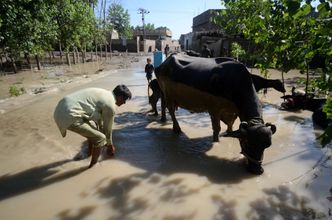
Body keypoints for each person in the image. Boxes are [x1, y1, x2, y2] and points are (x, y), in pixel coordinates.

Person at [53, 85, 132, 168]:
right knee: (100, 138)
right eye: (125, 99)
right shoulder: (110, 105)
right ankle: (92, 167)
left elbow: (100, 124)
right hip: (70, 114)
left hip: (60, 108)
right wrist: (110, 146)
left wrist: (103, 137)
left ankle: (89, 154)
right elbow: (107, 130)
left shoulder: (105, 94)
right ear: (120, 97)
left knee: (94, 131)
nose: (124, 103)